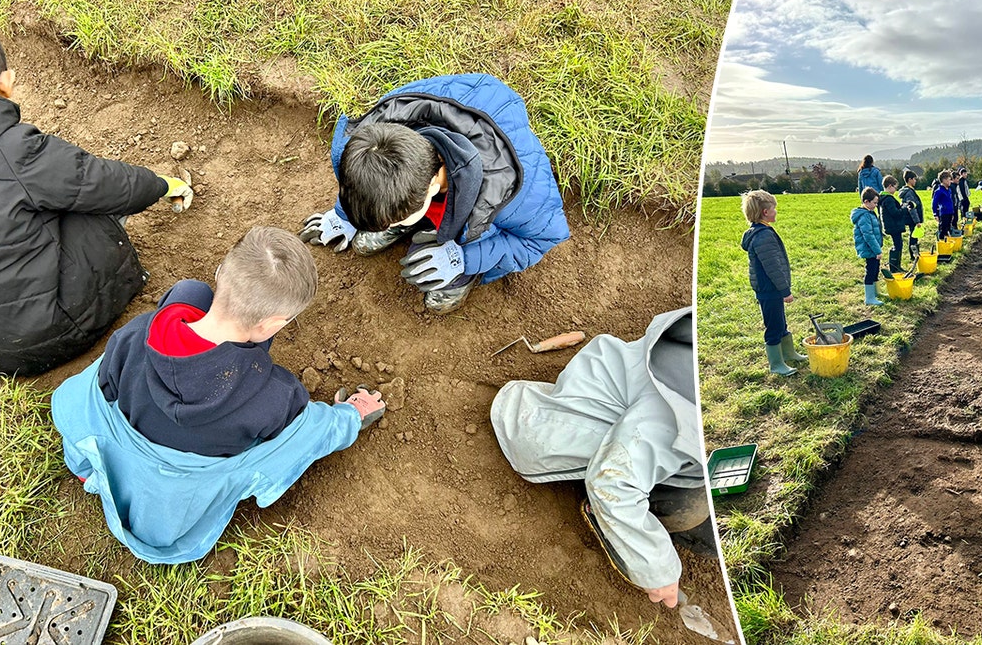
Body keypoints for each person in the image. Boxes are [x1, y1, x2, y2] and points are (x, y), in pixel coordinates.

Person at [50, 227, 385, 563]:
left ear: (220, 272)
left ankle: (100, 467)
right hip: (170, 498)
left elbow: (104, 388)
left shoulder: (136, 333)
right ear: (273, 324)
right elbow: (307, 433)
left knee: (189, 293)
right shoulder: (273, 395)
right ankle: (354, 415)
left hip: (127, 428)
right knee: (298, 429)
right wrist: (349, 417)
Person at [0, 7, 194, 375]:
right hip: (42, 339)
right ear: (5, 84)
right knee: (81, 205)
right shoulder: (20, 152)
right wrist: (163, 184)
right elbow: (105, 183)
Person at [489, 307, 711, 609]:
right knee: (697, 514)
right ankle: (609, 519)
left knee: (707, 499)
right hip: (566, 435)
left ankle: (636, 515)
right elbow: (613, 482)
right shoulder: (679, 411)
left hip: (627, 410)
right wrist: (660, 570)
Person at [299, 74, 570, 314]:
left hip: (480, 203)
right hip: (442, 180)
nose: (384, 226)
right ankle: (413, 221)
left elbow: (543, 238)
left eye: (395, 218)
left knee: (439, 297)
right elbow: (363, 176)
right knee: (363, 240)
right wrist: (345, 215)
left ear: (430, 187)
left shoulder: (515, 193)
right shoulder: (375, 136)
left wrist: (464, 260)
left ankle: (457, 253)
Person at [741, 190, 804, 376]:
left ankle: (788, 353)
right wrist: (785, 290)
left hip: (770, 288)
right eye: (773, 208)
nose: (776, 211)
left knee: (780, 322)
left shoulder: (761, 232)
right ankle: (776, 364)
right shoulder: (763, 236)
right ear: (765, 212)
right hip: (770, 289)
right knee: (774, 326)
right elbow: (773, 267)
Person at [853, 188, 884, 306]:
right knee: (870, 271)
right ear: (866, 202)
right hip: (869, 248)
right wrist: (877, 250)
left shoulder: (870, 213)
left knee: (876, 269)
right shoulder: (864, 216)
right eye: (875, 203)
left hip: (874, 248)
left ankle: (876, 292)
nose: (876, 205)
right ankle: (869, 298)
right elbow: (868, 235)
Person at [876, 175, 907, 272]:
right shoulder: (889, 199)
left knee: (898, 244)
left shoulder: (883, 198)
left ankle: (896, 266)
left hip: (890, 225)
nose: (895, 190)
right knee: (898, 245)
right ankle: (895, 267)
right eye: (895, 187)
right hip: (893, 226)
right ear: (890, 186)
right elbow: (895, 213)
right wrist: (904, 209)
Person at [899, 170, 924, 263]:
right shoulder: (909, 192)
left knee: (914, 236)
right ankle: (914, 255)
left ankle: (915, 254)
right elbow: (911, 208)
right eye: (914, 179)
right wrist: (917, 221)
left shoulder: (909, 191)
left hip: (911, 218)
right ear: (909, 179)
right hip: (912, 219)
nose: (915, 181)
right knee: (913, 236)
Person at [932, 170, 956, 241]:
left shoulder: (949, 190)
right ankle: (942, 245)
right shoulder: (939, 191)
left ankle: (947, 245)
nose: (950, 181)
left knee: (948, 229)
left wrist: (952, 212)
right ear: (944, 180)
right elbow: (934, 203)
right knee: (943, 230)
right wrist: (935, 214)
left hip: (950, 212)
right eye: (949, 180)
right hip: (943, 213)